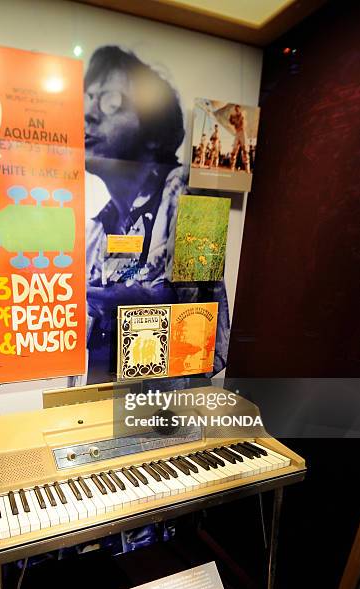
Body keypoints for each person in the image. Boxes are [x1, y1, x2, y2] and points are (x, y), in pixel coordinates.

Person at [84, 46, 229, 384]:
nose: (88, 114)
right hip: (109, 395)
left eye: (110, 102)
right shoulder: (98, 227)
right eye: (88, 98)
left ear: (155, 136)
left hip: (167, 407)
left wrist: (140, 301)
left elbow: (201, 333)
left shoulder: (196, 199)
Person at [229, 104, 250, 172]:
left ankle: (247, 170)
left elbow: (240, 120)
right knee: (233, 152)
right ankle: (232, 168)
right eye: (236, 108)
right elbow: (231, 122)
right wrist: (232, 118)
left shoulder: (241, 114)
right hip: (237, 133)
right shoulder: (234, 116)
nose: (236, 109)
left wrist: (235, 118)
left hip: (242, 132)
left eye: (237, 108)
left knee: (245, 150)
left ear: (239, 108)